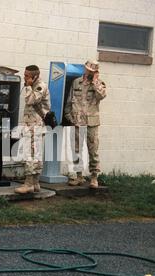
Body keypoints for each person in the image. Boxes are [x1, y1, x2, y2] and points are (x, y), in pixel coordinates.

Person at [64, 60, 107, 189]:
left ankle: (94, 177)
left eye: (93, 71)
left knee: (93, 150)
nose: (90, 73)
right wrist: (69, 116)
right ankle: (79, 176)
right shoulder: (76, 82)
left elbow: (102, 96)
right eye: (89, 70)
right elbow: (69, 101)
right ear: (85, 69)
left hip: (91, 122)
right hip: (77, 121)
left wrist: (94, 82)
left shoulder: (99, 84)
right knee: (76, 149)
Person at [14, 65, 51, 194]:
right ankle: (35, 183)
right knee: (36, 154)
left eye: (27, 76)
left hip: (35, 126)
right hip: (32, 125)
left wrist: (28, 86)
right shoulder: (36, 86)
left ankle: (29, 183)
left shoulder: (40, 86)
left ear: (34, 76)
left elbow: (30, 100)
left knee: (30, 154)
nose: (24, 78)